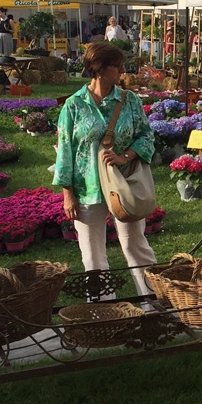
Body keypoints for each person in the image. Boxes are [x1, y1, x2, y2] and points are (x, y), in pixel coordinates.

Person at [53, 43, 158, 297]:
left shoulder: (128, 100)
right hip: (86, 188)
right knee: (92, 254)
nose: (123, 69)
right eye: (117, 65)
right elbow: (65, 151)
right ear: (98, 69)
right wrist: (68, 193)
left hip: (124, 186)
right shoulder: (74, 106)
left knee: (136, 247)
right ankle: (103, 312)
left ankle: (154, 302)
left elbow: (146, 136)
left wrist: (125, 156)